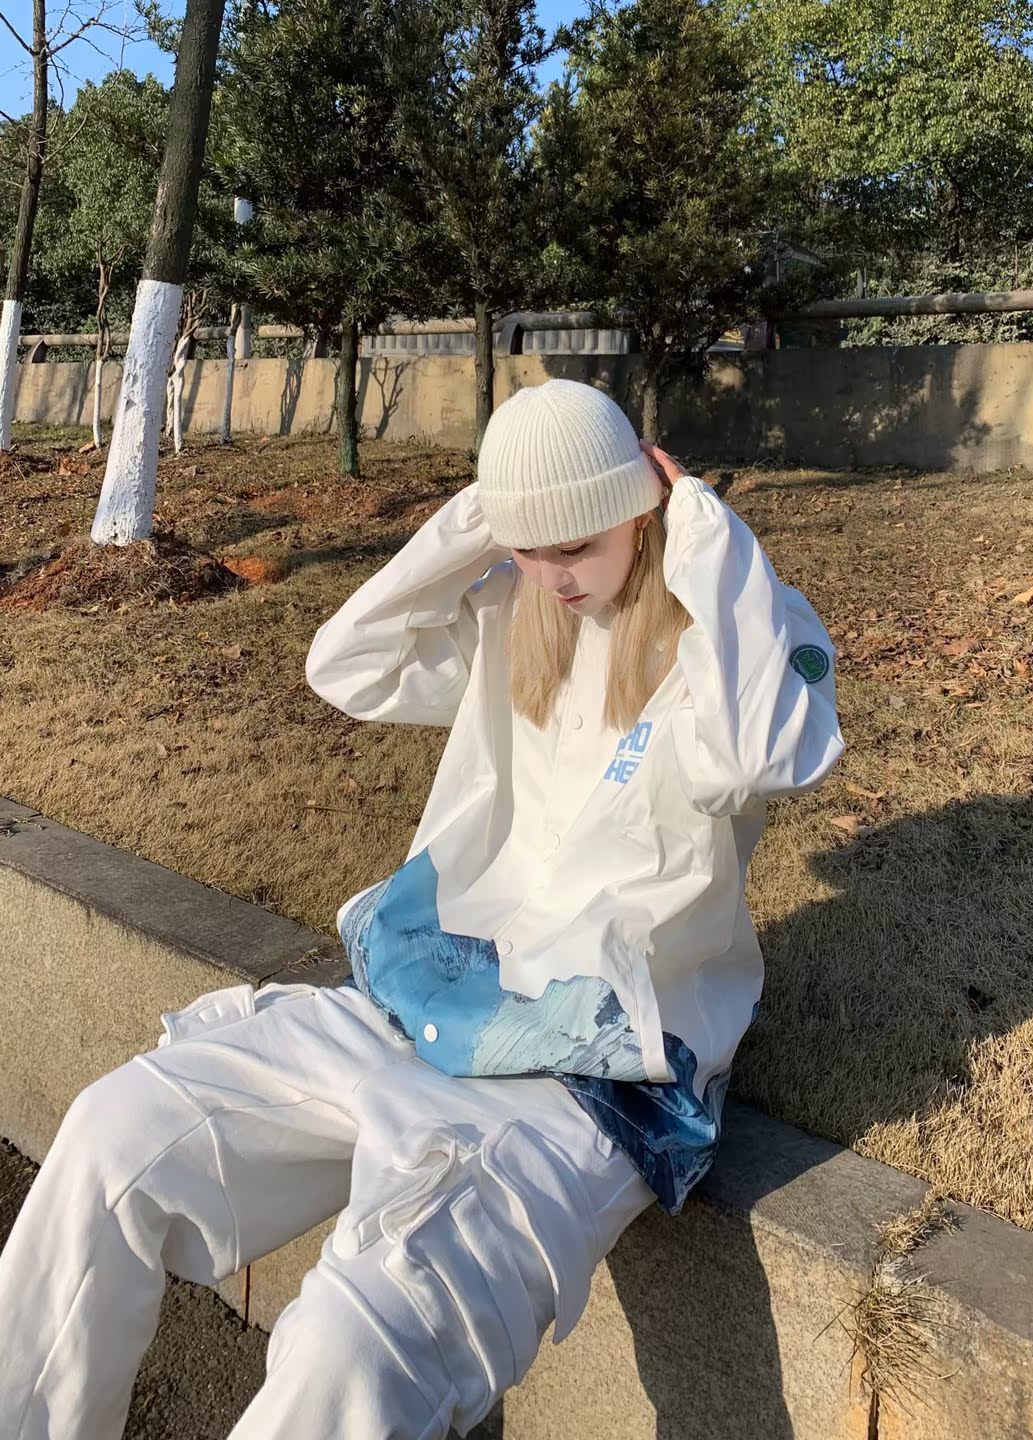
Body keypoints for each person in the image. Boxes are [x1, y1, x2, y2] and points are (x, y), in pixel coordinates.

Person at [0, 379, 843, 1439]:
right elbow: (344, 664)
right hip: (418, 1004)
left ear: (642, 510)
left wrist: (703, 528)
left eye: (578, 543)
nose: (555, 574)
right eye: (529, 546)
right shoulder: (511, 614)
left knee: (350, 1347)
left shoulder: (729, 640)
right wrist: (487, 514)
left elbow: (772, 751)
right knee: (114, 1139)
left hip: (589, 1079)